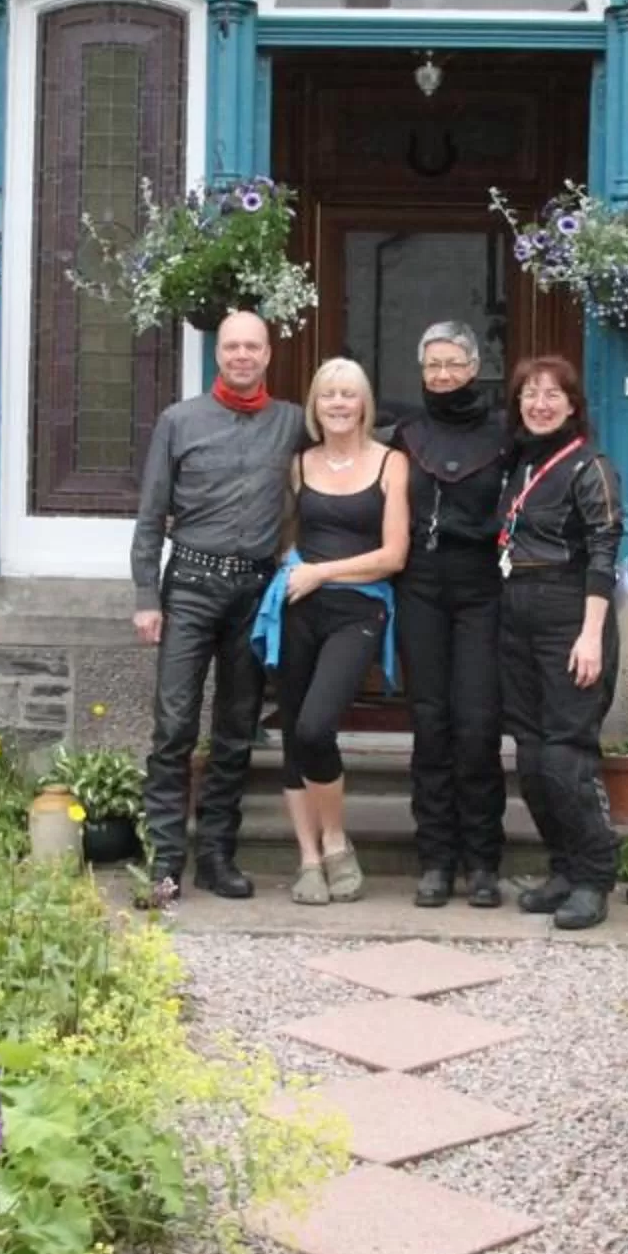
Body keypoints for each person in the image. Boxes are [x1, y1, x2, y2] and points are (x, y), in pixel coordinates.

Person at [130, 309, 307, 911]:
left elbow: (345, 448)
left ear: (268, 354)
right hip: (189, 585)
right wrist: (146, 597)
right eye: (232, 346)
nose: (241, 356)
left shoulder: (291, 422)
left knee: (236, 728)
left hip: (254, 591)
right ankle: (164, 864)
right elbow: (151, 514)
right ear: (218, 353)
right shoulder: (179, 421)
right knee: (174, 726)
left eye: (252, 347)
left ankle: (216, 857)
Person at [255, 358, 409, 905]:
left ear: (364, 404)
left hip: (359, 609)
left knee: (317, 726)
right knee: (294, 733)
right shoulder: (299, 464)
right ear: (314, 407)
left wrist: (321, 572)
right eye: (328, 395)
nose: (338, 404)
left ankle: (337, 841)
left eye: (348, 394)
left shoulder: (391, 463)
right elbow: (284, 532)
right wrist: (291, 568)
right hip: (298, 608)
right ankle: (309, 859)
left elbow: (394, 555)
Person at [496, 355, 624, 932]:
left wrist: (591, 635)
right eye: (530, 393)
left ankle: (595, 878)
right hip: (516, 614)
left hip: (570, 616)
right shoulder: (520, 464)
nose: (539, 404)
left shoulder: (591, 467)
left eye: (552, 394)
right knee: (530, 757)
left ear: (573, 405)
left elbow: (604, 552)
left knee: (566, 757)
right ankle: (563, 869)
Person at [392, 321, 510, 908]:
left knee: (478, 723)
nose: (442, 375)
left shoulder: (506, 433)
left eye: (453, 363)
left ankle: (483, 862)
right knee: (430, 722)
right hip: (421, 584)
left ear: (473, 368)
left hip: (482, 586)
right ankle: (436, 859)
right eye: (432, 364)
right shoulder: (406, 435)